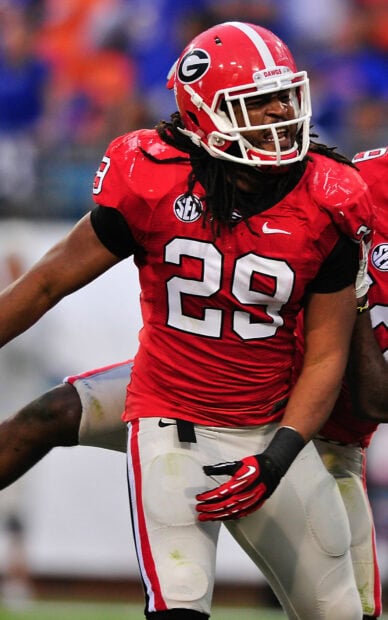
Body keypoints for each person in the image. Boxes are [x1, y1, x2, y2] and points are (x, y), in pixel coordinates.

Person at [0, 20, 373, 619]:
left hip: (273, 423)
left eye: (285, 96)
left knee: (340, 614)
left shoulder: (329, 195)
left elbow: (327, 353)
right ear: (205, 115)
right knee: (178, 606)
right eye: (259, 102)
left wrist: (277, 456)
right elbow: (46, 282)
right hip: (171, 424)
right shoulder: (152, 176)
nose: (281, 114)